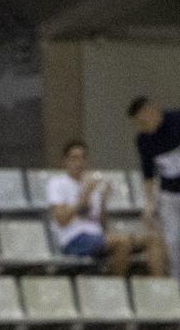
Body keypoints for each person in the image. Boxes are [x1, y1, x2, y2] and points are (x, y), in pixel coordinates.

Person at [50, 139, 164, 276]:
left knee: (153, 239)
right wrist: (83, 196)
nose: (78, 163)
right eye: (74, 158)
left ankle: (159, 287)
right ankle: (117, 286)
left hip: (96, 236)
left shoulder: (92, 184)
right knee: (122, 242)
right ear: (65, 161)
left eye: (82, 158)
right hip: (74, 239)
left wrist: (103, 201)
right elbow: (61, 219)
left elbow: (101, 224)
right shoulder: (57, 184)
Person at [130, 95, 180, 284]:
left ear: (152, 112)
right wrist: (150, 202)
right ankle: (177, 284)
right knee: (173, 241)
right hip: (169, 194)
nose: (142, 127)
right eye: (138, 124)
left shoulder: (176, 120)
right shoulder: (143, 139)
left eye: (143, 122)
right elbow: (148, 174)